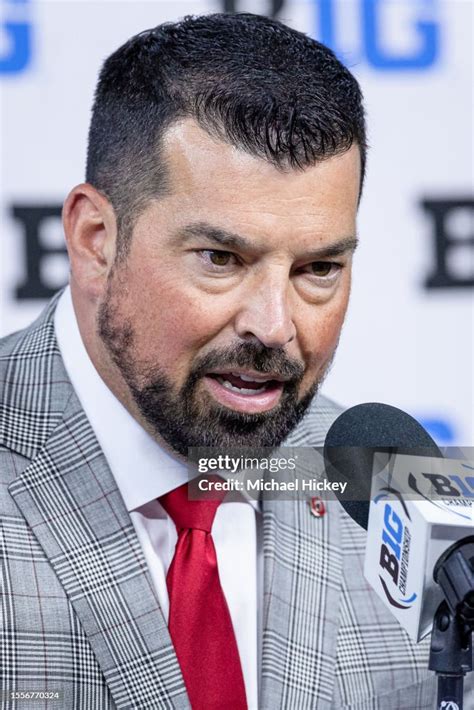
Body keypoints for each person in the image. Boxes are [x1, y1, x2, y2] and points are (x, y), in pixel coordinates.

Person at [0, 12, 462, 710]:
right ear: (96, 239)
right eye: (222, 259)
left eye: (318, 268)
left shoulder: (410, 508)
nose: (275, 328)